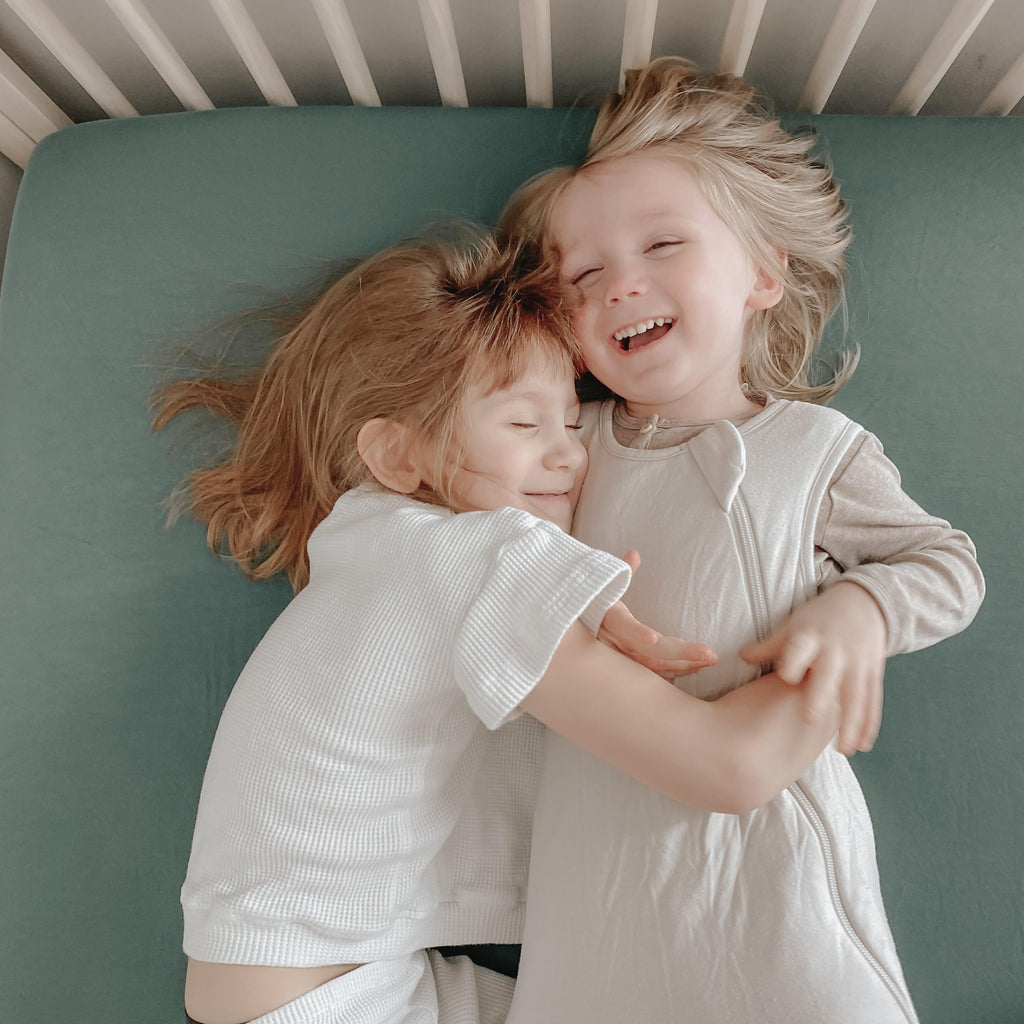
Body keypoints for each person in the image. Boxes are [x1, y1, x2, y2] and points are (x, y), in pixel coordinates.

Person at [154, 232, 842, 1024]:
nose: (572, 458)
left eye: (573, 425)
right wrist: (846, 629)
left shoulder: (366, 547)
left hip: (336, 988)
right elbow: (731, 769)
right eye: (525, 426)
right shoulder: (470, 560)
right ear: (397, 454)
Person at [499, 59, 985, 1024]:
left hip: (768, 858)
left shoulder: (810, 448)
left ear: (763, 273)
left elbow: (946, 565)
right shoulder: (571, 447)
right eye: (581, 276)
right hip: (594, 867)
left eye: (662, 244)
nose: (618, 283)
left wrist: (860, 610)